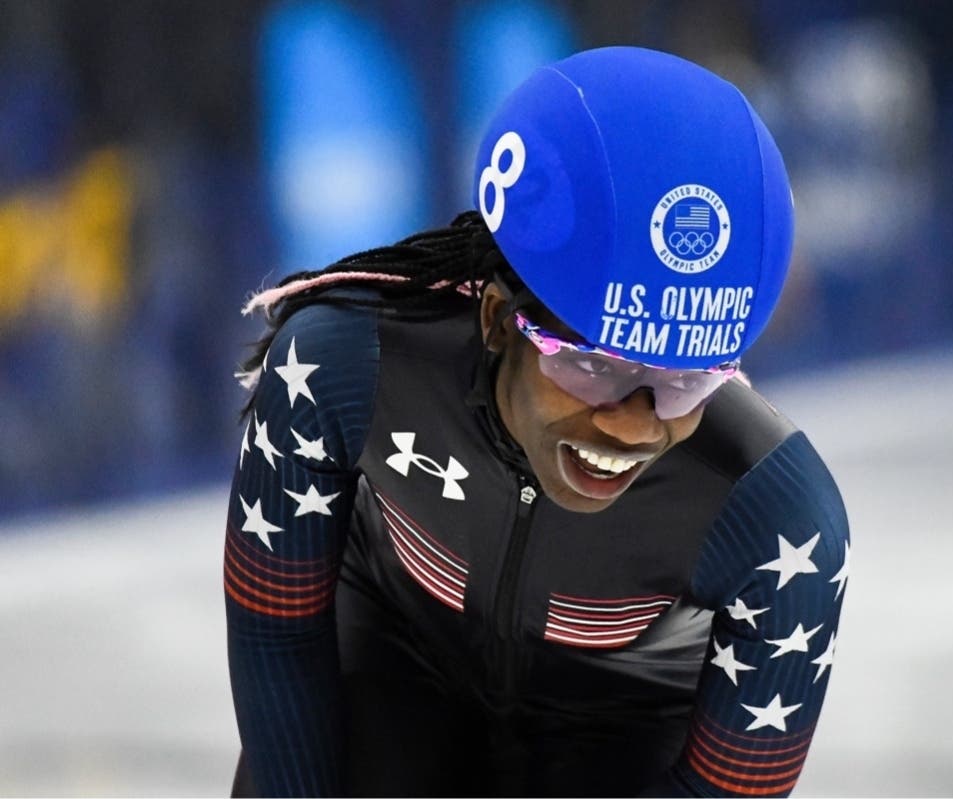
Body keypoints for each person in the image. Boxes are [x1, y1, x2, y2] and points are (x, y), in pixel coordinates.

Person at [224, 46, 850, 797]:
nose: (634, 425)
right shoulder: (344, 364)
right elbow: (277, 634)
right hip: (391, 681)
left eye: (687, 380)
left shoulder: (779, 519)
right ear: (496, 316)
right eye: (594, 366)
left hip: (618, 735)